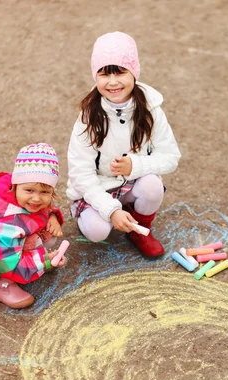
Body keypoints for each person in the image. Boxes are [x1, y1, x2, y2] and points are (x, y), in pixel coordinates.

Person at [66, 31, 181, 257]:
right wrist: (111, 210)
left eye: (120, 72)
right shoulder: (88, 117)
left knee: (152, 187)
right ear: (95, 76)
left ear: (134, 72)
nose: (113, 82)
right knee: (97, 231)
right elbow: (81, 172)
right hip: (98, 187)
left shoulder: (150, 110)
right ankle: (96, 214)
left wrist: (135, 166)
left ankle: (140, 229)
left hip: (132, 182)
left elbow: (171, 157)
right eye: (104, 74)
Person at [0, 143, 67, 309]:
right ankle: (1, 285)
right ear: (16, 185)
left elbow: (41, 209)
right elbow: (7, 264)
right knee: (12, 264)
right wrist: (44, 262)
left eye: (45, 192)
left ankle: (31, 262)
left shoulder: (16, 198)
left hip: (6, 249)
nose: (37, 199)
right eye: (30, 191)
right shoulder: (3, 224)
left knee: (47, 233)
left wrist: (52, 216)